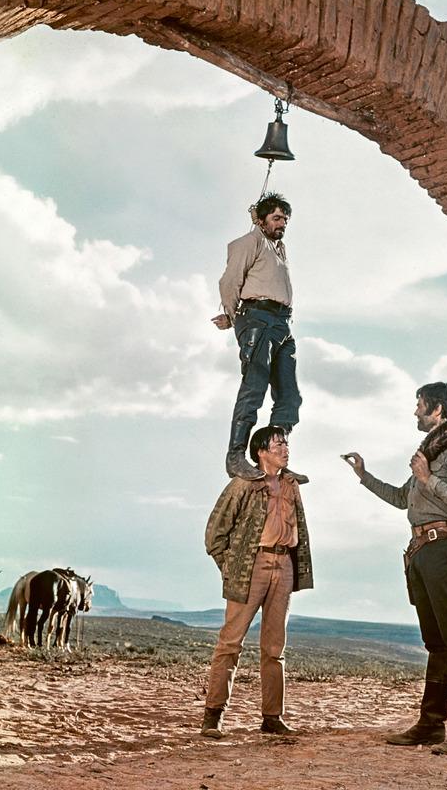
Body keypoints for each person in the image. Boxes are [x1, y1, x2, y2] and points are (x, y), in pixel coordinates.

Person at [343, 382, 447, 757]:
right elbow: (403, 499)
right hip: (421, 552)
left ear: (437, 408)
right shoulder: (430, 452)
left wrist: (427, 479)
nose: (415, 411)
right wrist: (364, 475)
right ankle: (431, 724)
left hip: (445, 549)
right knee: (435, 641)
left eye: (419, 405)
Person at [201, 425, 313, 738]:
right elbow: (215, 534)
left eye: (286, 443)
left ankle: (272, 718)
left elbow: (299, 532)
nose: (285, 448)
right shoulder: (243, 484)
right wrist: (231, 566)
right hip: (251, 565)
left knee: (275, 647)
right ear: (261, 451)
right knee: (230, 642)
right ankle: (213, 716)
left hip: (284, 565)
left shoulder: (292, 485)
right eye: (279, 444)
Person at [212, 193, 302, 481]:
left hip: (282, 323)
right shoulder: (251, 241)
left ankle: (273, 456)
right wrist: (233, 314)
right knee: (254, 389)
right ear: (262, 221)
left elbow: (268, 242)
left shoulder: (279, 247)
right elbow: (229, 280)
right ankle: (236, 456)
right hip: (258, 317)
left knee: (290, 397)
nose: (282, 223)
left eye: (285, 219)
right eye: (276, 218)